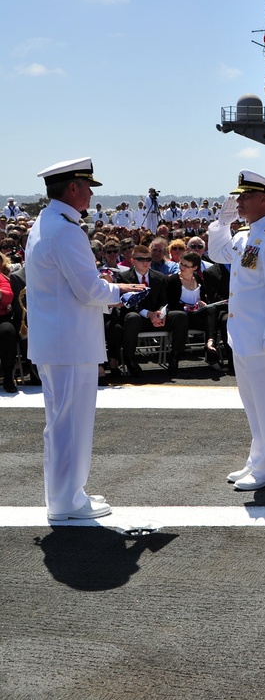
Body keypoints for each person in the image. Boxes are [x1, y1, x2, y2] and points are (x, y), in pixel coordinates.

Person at [25, 158, 144, 520]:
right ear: (73, 188)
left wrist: (113, 287)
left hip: (57, 341)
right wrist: (121, 291)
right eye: (88, 186)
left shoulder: (46, 223)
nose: (92, 193)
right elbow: (89, 289)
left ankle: (64, 495)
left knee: (61, 423)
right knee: (72, 425)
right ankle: (67, 501)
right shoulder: (66, 230)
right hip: (70, 343)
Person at [207, 170, 265, 490]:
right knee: (252, 404)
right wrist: (221, 224)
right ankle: (257, 458)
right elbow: (218, 254)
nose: (239, 200)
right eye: (238, 196)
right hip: (242, 335)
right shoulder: (246, 235)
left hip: (262, 338)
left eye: (245, 196)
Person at [118, 244, 189, 377]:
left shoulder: (159, 276)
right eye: (141, 259)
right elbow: (127, 303)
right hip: (138, 318)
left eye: (148, 259)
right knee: (132, 317)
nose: (145, 263)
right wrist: (149, 314)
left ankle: (175, 357)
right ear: (132, 260)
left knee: (180, 316)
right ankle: (130, 360)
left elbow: (164, 300)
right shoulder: (124, 278)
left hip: (156, 316)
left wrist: (161, 314)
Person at [165, 251, 222, 370]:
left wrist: (202, 303)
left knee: (211, 310)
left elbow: (202, 298)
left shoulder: (198, 279)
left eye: (186, 266)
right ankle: (174, 357)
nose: (182, 267)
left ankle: (210, 344)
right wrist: (188, 307)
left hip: (195, 316)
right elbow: (171, 303)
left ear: (195, 268)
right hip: (181, 317)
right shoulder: (173, 280)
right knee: (182, 317)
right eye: (182, 264)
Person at [0, 252, 25, 393]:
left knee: (7, 332)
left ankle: (8, 376)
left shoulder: (1, 278)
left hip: (2, 317)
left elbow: (8, 296)